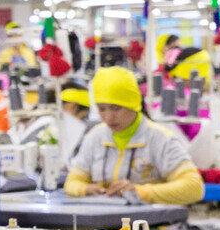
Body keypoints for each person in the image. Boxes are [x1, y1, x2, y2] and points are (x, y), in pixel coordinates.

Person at [65, 67, 204, 204]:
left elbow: (194, 188)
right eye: (102, 109)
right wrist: (85, 189)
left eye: (116, 108)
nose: (108, 117)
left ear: (133, 104)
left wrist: (140, 192)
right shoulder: (95, 137)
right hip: (104, 223)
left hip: (148, 224)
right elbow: (72, 182)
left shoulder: (159, 139)